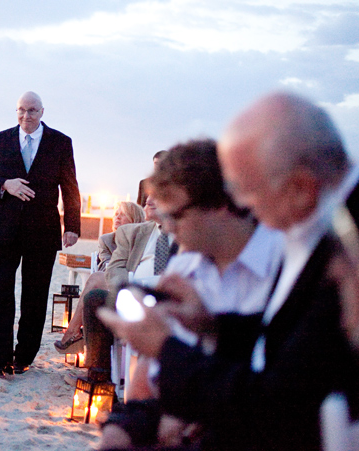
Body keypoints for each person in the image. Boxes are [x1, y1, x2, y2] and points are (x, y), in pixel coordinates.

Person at [98, 93, 359, 451]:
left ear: (299, 186)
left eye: (246, 191)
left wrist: (166, 348)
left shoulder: (340, 244)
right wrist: (213, 327)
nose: (244, 206)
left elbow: (283, 402)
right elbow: (285, 346)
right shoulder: (315, 225)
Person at [98, 139, 284, 449]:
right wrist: (125, 426)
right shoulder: (184, 269)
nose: (168, 229)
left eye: (176, 216)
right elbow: (152, 385)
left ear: (220, 205)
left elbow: (277, 394)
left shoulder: (286, 266)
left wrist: (166, 347)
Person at [0, 91, 81, 378]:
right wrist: (5, 184)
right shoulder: (0, 140)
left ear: (42, 112)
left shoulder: (60, 143)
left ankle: (23, 357)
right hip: (3, 230)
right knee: (2, 295)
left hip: (43, 230)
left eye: (32, 110)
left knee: (35, 297)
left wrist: (72, 226)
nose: (26, 116)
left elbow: (70, 187)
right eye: (21, 110)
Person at [54, 200, 144, 355]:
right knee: (96, 278)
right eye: (116, 214)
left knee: (95, 278)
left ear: (134, 219)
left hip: (135, 286)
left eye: (123, 215)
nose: (117, 217)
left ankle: (72, 332)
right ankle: (73, 331)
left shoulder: (143, 241)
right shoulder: (107, 240)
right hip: (111, 283)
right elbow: (107, 267)